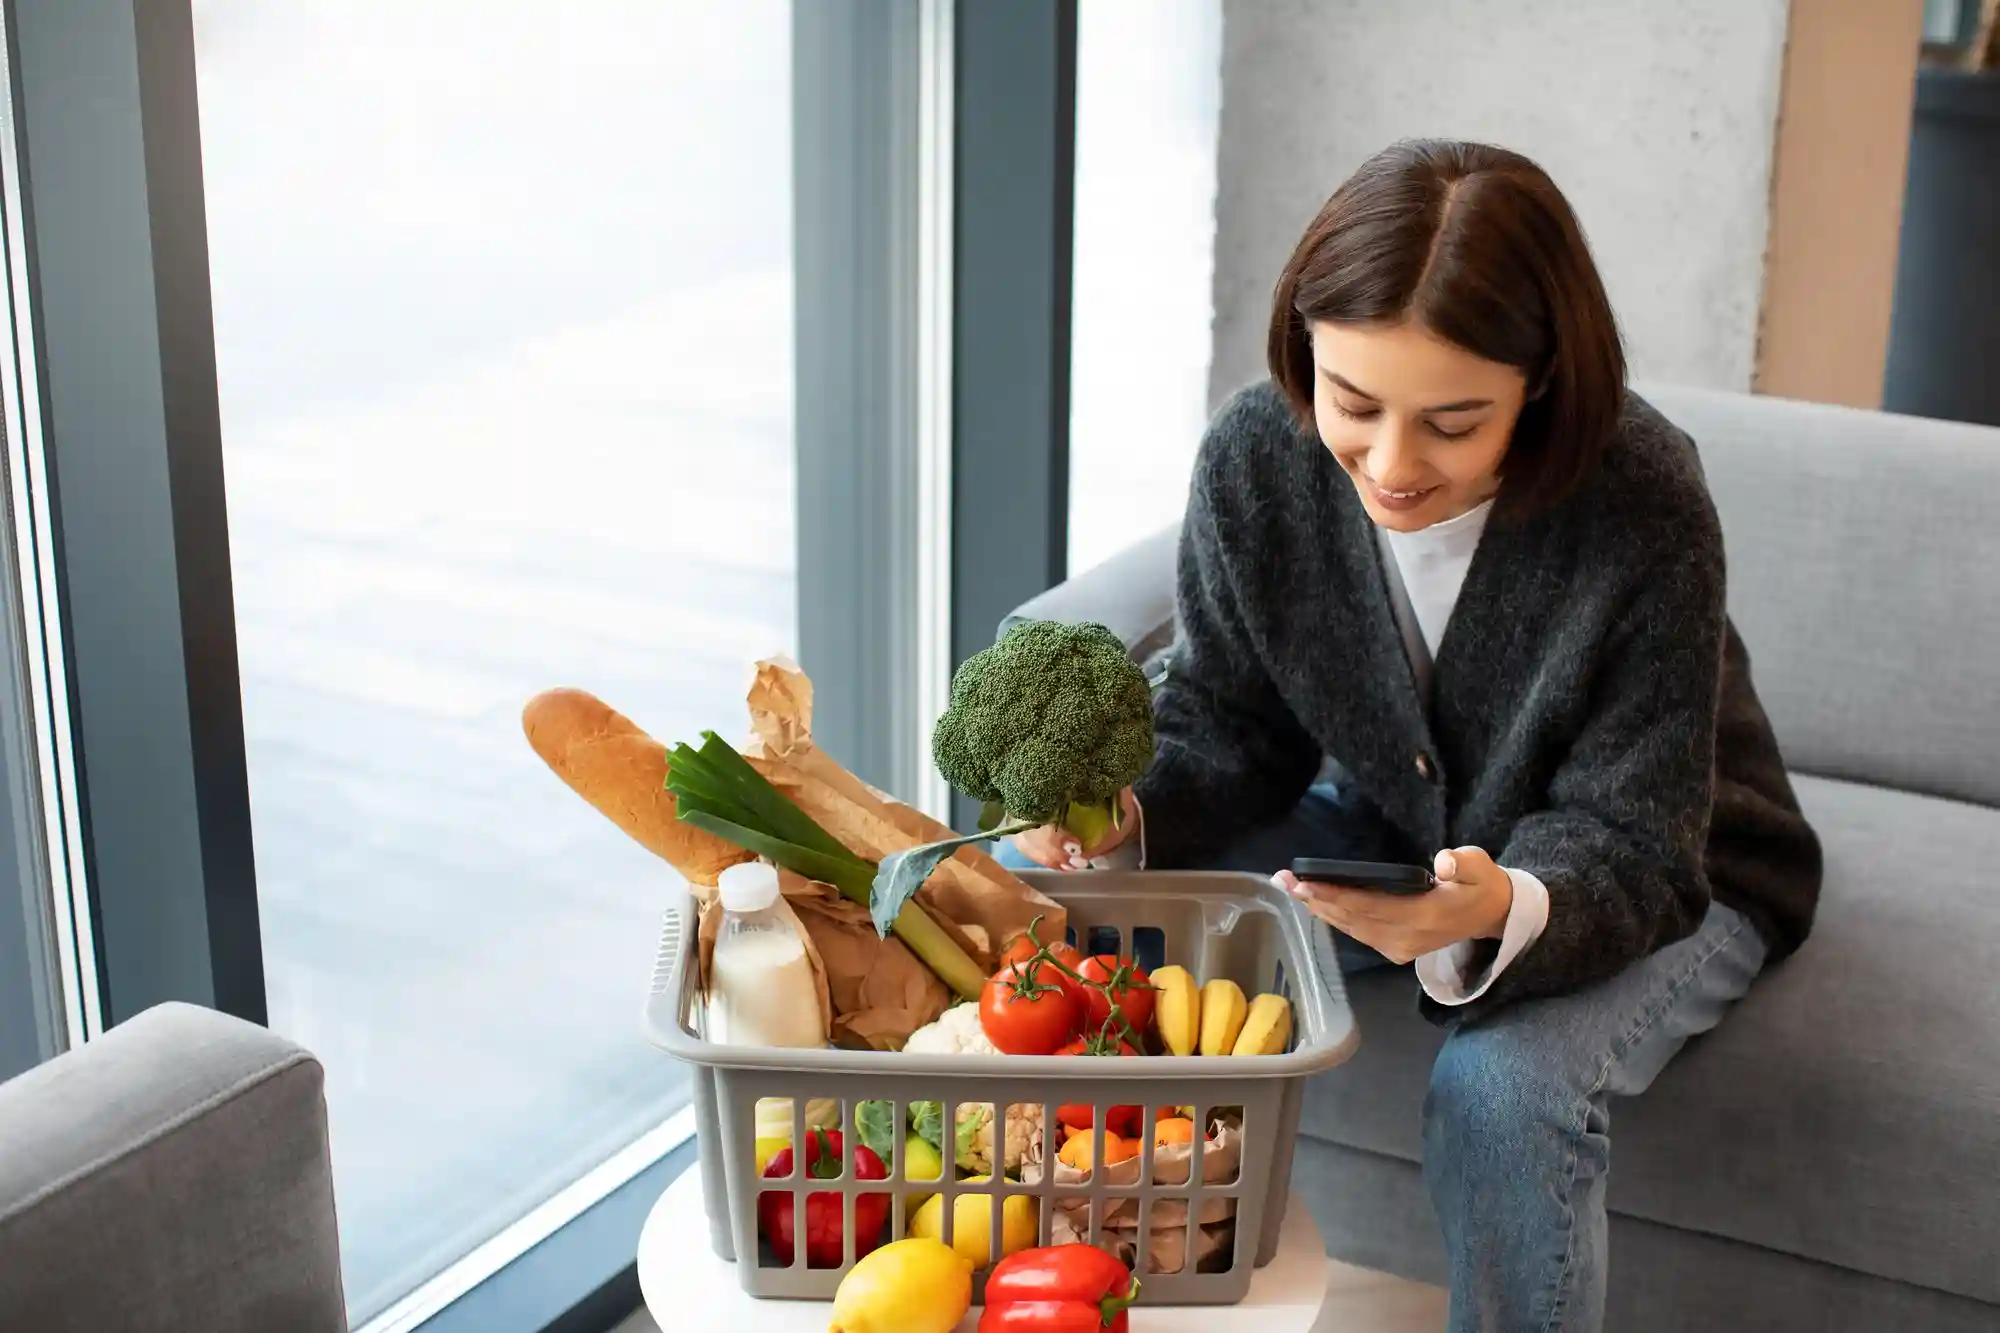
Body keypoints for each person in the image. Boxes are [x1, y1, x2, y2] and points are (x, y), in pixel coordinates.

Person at [1008, 139, 1823, 1333]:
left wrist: (1489, 910)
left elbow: (1640, 839)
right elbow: (1228, 723)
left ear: (1539, 384)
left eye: (1452, 422)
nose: (1391, 466)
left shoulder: (1640, 498)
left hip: (1669, 862)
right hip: (1393, 824)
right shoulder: (1255, 456)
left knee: (1498, 1093)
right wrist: (1120, 817)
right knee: (1112, 935)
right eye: (1352, 404)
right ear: (1304, 356)